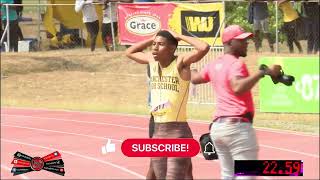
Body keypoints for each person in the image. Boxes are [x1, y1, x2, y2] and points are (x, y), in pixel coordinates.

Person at [191, 25, 282, 179]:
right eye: (242, 40)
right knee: (246, 174)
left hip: (218, 128)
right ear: (230, 42)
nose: (247, 42)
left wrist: (190, 67)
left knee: (228, 175)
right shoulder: (236, 64)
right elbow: (237, 87)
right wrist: (262, 72)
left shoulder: (214, 63)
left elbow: (195, 78)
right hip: (237, 128)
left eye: (246, 39)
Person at [126, 30, 209, 179]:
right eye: (154, 45)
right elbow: (130, 52)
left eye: (161, 44)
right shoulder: (152, 61)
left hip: (178, 133)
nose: (155, 48)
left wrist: (179, 36)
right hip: (158, 132)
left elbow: (203, 48)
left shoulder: (180, 62)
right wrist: (153, 38)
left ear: (171, 48)